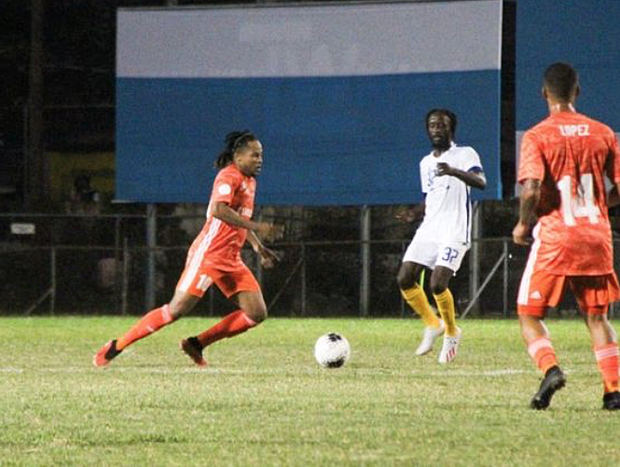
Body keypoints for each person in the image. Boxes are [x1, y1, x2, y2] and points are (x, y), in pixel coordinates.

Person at [94, 130, 283, 367]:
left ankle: (196, 344)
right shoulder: (228, 176)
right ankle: (116, 345)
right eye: (255, 155)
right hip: (208, 256)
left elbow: (239, 217)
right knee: (175, 311)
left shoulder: (250, 181)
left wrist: (257, 245)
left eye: (261, 155)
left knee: (256, 313)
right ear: (238, 156)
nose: (260, 160)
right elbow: (218, 210)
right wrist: (258, 226)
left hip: (231, 259)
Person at [513, 62, 620, 410]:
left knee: (529, 312)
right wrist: (603, 204)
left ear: (544, 94)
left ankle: (550, 369)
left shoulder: (537, 135)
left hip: (558, 236)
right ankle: (613, 392)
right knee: (597, 317)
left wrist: (523, 225)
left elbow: (530, 189)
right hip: (596, 237)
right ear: (577, 91)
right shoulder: (603, 132)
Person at [397, 109, 486, 363]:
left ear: (451, 129)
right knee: (404, 277)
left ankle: (451, 331)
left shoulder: (464, 154)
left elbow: (481, 182)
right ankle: (432, 323)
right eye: (432, 125)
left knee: (437, 283)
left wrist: (453, 171)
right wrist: (413, 214)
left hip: (454, 230)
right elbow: (432, 197)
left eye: (442, 125)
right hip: (429, 228)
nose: (436, 129)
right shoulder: (425, 163)